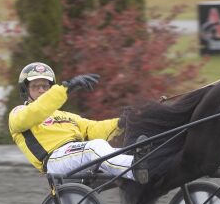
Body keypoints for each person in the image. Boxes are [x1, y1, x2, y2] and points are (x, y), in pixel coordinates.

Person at [8, 62, 148, 183]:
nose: (42, 90)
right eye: (35, 86)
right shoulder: (18, 113)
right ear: (25, 90)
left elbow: (93, 128)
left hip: (76, 154)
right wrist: (66, 88)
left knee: (123, 153)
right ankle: (133, 168)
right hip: (54, 160)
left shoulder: (66, 116)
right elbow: (36, 111)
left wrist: (122, 123)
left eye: (45, 86)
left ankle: (145, 170)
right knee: (95, 147)